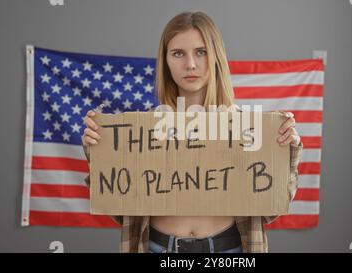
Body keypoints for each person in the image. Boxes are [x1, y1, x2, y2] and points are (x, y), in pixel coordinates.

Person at [81, 11, 303, 253]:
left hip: (230, 250)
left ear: (216, 56)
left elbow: (272, 208)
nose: (191, 64)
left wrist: (286, 152)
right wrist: (100, 153)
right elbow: (119, 211)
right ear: (165, 60)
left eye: (201, 52)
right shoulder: (141, 132)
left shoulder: (247, 129)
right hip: (157, 248)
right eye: (178, 53)